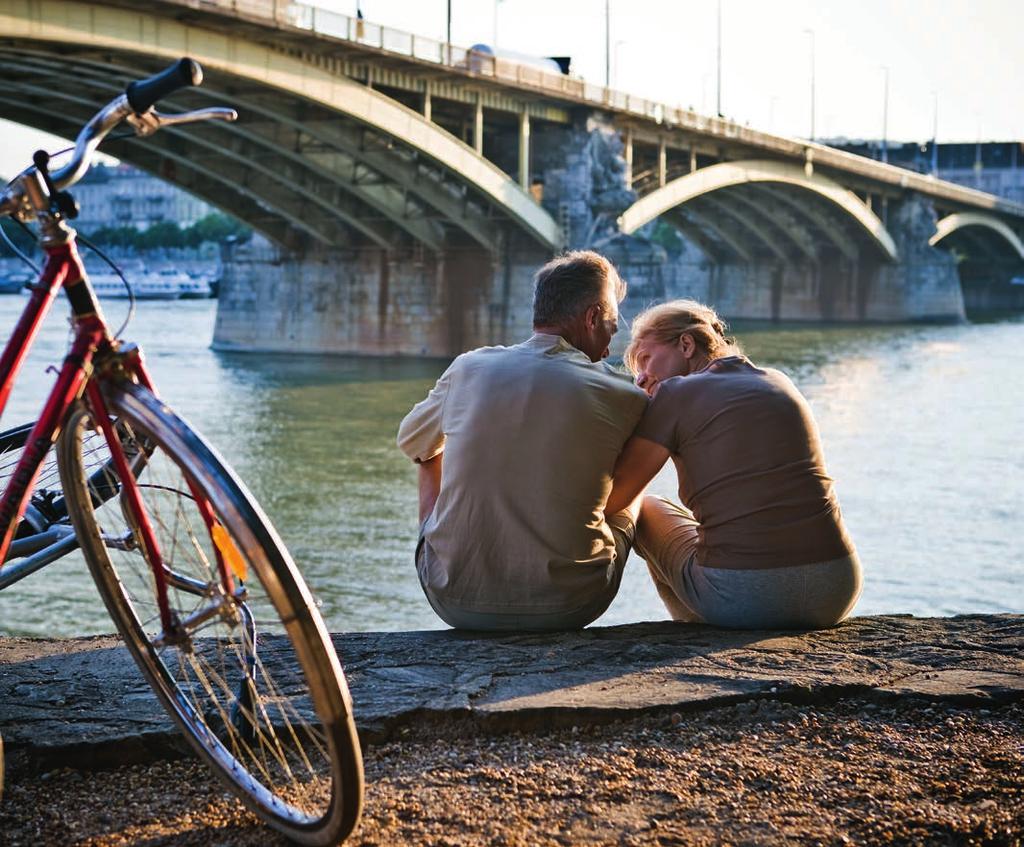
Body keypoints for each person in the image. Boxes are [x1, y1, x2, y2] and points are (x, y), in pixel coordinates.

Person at [397, 250, 648, 631]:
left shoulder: (469, 367)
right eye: (611, 329)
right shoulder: (623, 393)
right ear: (593, 317)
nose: (608, 350)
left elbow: (411, 442)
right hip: (569, 604)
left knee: (427, 452)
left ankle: (453, 555)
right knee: (639, 491)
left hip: (452, 599)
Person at [605, 299, 861, 629]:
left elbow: (616, 499)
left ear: (686, 344)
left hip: (746, 596)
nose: (642, 377)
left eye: (646, 359)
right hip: (836, 588)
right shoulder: (779, 380)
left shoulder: (674, 394)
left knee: (647, 508)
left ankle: (693, 629)